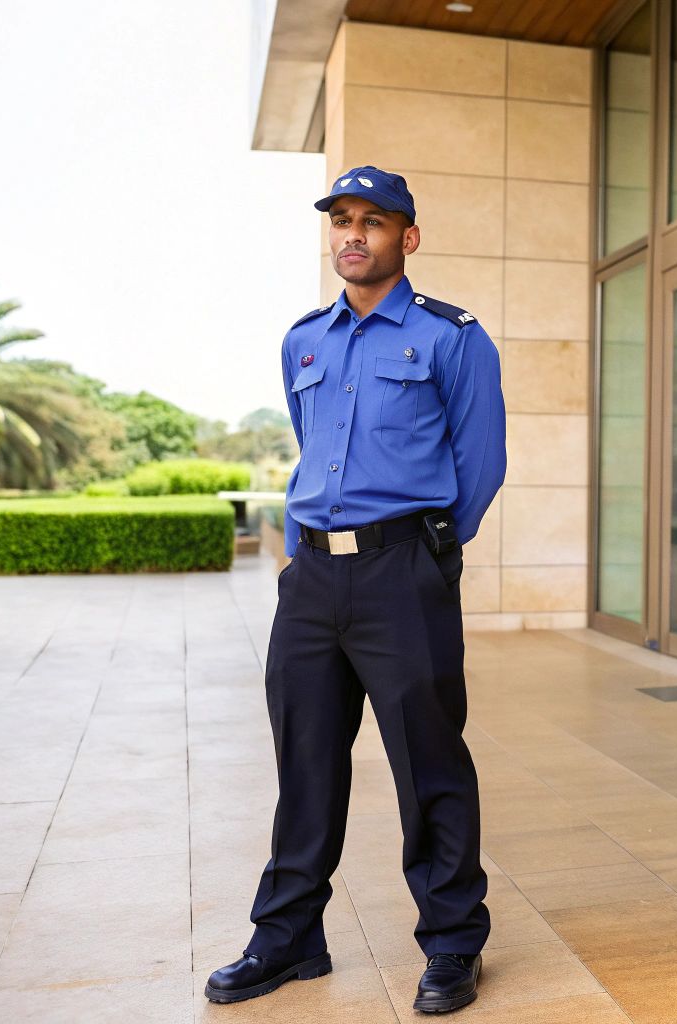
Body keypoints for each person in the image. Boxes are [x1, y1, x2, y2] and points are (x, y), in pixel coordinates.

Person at [205, 165, 506, 1015]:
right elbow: (313, 447)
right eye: (341, 219)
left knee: (429, 763)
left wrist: (427, 557)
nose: (353, 234)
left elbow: (481, 464)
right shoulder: (304, 339)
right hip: (311, 578)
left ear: (408, 237)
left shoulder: (452, 338)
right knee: (303, 761)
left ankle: (452, 942)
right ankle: (288, 936)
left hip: (401, 573)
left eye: (372, 221)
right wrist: (310, 556)